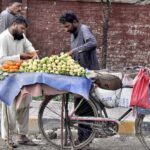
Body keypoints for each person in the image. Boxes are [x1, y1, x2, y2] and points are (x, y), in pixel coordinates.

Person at [59, 12, 100, 145]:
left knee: (85, 108)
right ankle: (83, 139)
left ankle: (85, 140)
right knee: (79, 107)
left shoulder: (84, 29)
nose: (66, 30)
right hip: (80, 74)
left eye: (67, 26)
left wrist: (74, 51)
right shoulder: (73, 34)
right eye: (64, 27)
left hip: (88, 73)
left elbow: (93, 42)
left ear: (75, 22)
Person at [0, 16, 38, 148]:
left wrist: (33, 54)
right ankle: (8, 138)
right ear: (14, 24)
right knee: (9, 109)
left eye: (24, 29)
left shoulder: (21, 35)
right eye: (21, 28)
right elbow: (2, 59)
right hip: (7, 79)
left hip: (22, 77)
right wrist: (20, 57)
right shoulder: (3, 38)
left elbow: (30, 47)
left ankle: (22, 136)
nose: (23, 31)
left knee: (25, 105)